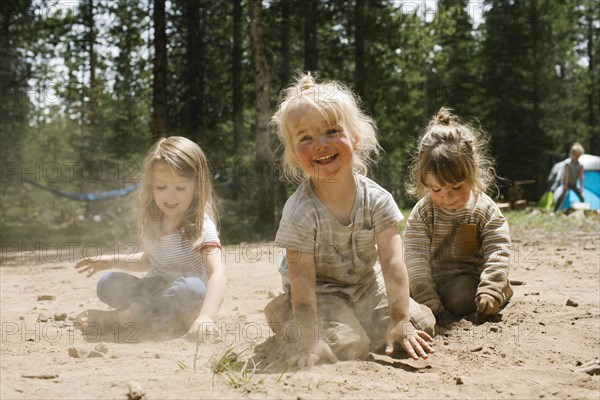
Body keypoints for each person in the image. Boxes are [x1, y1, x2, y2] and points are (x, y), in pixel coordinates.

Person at [264, 73, 435, 367]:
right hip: (319, 292)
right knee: (345, 344)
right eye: (306, 138)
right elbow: (303, 280)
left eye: (331, 131)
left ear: (355, 139)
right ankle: (284, 313)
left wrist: (399, 318)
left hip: (365, 286)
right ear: (293, 154)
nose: (320, 144)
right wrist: (309, 339)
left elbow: (393, 263)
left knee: (419, 324)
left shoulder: (377, 199)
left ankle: (364, 319)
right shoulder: (299, 212)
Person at [75, 136, 226, 341]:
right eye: (161, 187)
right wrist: (111, 260)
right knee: (108, 282)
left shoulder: (201, 225)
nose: (169, 196)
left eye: (180, 188)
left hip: (187, 301)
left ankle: (120, 319)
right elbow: (148, 260)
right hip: (156, 292)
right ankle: (150, 316)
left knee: (192, 288)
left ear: (197, 187)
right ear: (151, 186)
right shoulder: (153, 221)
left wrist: (207, 316)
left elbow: (217, 273)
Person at [404, 107, 513, 321]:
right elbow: (414, 257)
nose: (447, 197)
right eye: (436, 189)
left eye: (456, 187)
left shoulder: (484, 209)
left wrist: (491, 285)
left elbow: (498, 248)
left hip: (466, 278)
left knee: (462, 298)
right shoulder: (424, 212)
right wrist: (425, 296)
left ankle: (500, 289)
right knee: (397, 289)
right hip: (428, 279)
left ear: (472, 171)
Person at [553, 142, 585, 212]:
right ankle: (554, 211)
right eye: (575, 154)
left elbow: (581, 176)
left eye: (578, 155)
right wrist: (565, 185)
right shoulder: (568, 163)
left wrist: (581, 186)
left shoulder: (580, 165)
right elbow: (566, 175)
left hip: (574, 184)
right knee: (562, 196)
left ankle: (582, 211)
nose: (576, 156)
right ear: (572, 154)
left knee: (581, 198)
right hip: (566, 183)